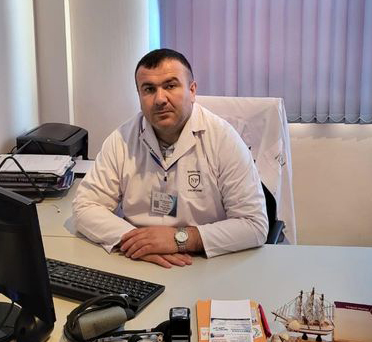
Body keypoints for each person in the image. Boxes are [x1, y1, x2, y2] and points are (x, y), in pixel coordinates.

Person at [72, 48, 269, 268]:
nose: (160, 99)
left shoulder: (223, 139)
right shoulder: (122, 139)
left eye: (170, 86)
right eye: (149, 89)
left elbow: (254, 225)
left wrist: (181, 239)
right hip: (137, 261)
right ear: (139, 96)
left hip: (204, 262)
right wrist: (141, 243)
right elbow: (85, 207)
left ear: (192, 90)